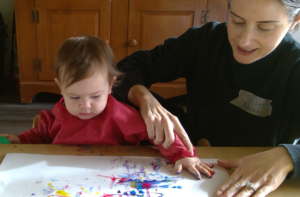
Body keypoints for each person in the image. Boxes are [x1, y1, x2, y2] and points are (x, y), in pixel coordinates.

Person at [112, 0, 300, 196]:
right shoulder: (205, 40)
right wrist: (146, 101)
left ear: (295, 20)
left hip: (256, 184)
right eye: (237, 21)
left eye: (265, 28)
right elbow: (127, 68)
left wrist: (288, 157)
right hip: (190, 168)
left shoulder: (295, 66)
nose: (245, 40)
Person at [0, 36, 214, 179]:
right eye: (74, 96)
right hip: (63, 178)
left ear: (111, 85)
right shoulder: (57, 114)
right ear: (60, 87)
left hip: (115, 177)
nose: (85, 105)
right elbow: (40, 135)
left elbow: (158, 134)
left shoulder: (122, 115)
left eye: (95, 96)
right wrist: (20, 140)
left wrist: (182, 155)